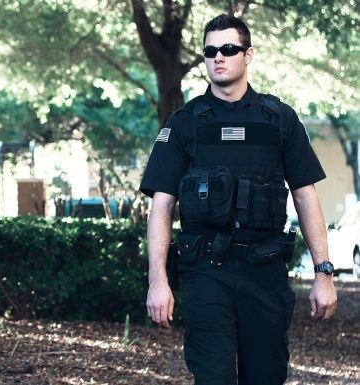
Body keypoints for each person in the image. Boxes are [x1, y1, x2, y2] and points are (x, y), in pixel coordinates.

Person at [140, 15, 337, 385]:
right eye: (210, 51)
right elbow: (161, 206)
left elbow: (306, 196)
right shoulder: (183, 123)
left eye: (228, 49)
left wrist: (323, 272)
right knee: (212, 377)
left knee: (266, 376)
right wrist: (158, 280)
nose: (219, 57)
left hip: (264, 272)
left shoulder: (279, 119)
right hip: (205, 272)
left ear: (248, 55)